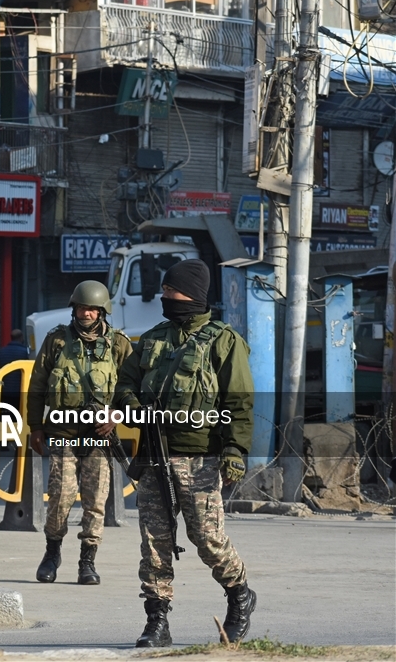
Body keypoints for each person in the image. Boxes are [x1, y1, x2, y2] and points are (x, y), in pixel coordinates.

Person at [114, 259, 256, 647]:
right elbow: (125, 383)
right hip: (154, 455)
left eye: (170, 291)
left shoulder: (224, 341)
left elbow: (239, 402)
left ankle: (240, 595)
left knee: (207, 538)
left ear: (190, 294)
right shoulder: (152, 338)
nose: (164, 297)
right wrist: (130, 403)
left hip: (201, 459)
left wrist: (234, 451)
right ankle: (156, 622)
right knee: (154, 543)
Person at [26, 281, 133, 587]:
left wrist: (117, 415)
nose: (86, 314)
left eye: (92, 309)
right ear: (74, 308)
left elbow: (132, 388)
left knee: (96, 499)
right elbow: (37, 387)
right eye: (82, 308)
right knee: (60, 494)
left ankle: (88, 561)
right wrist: (35, 427)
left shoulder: (119, 344)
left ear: (102, 312)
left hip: (98, 436)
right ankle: (52, 553)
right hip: (63, 431)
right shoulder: (57, 340)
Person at [0, 329, 30, 406]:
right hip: (20, 392)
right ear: (21, 338)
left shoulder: (2, 352)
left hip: (5, 392)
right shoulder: (25, 352)